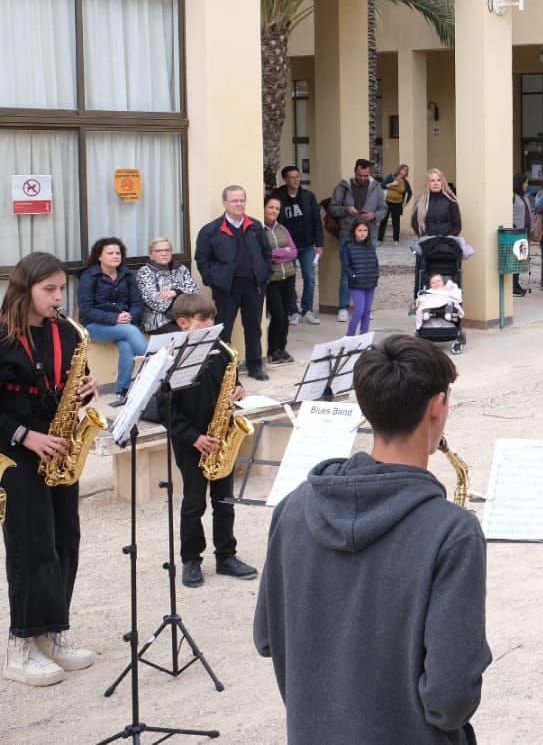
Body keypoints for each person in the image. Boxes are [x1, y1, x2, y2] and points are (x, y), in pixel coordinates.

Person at [254, 336, 489, 745]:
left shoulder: (291, 509)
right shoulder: (452, 532)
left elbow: (267, 639)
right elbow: (450, 700)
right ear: (437, 406)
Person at [1, 253, 101, 687]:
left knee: (65, 538)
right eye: (50, 290)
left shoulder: (66, 332)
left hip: (58, 444)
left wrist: (86, 392)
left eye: (62, 288)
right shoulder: (3, 334)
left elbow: (66, 387)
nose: (59, 298)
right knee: (30, 542)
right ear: (25, 289)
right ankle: (20, 642)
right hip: (15, 449)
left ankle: (52, 632)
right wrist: (26, 435)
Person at [163, 294, 257, 588]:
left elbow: (232, 384)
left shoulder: (224, 352)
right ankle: (191, 559)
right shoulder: (173, 358)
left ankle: (226, 556)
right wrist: (194, 437)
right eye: (202, 320)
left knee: (224, 501)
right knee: (193, 503)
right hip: (190, 441)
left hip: (221, 437)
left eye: (211, 318)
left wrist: (239, 391)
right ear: (183, 323)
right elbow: (165, 408)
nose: (210, 324)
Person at [194, 185, 272, 382]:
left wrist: (265, 274)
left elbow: (266, 253)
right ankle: (226, 370)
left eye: (242, 200)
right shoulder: (211, 230)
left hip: (254, 286)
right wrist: (213, 280)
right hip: (226, 289)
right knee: (224, 329)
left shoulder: (255, 226)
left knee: (254, 327)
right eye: (234, 200)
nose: (239, 204)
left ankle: (255, 366)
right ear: (225, 203)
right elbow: (202, 260)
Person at [77, 237, 147, 407]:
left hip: (123, 326)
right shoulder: (89, 277)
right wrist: (114, 318)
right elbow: (86, 309)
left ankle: (122, 390)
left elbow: (137, 303)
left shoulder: (128, 275)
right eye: (110, 253)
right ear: (100, 256)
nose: (115, 256)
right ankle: (156, 363)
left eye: (118, 253)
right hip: (94, 326)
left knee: (126, 345)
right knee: (129, 331)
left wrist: (130, 315)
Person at [329, 160, 385, 322]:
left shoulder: (376, 187)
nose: (362, 178)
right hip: (348, 232)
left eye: (366, 176)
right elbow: (332, 208)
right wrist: (347, 210)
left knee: (367, 270)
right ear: (355, 171)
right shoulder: (343, 186)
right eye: (360, 175)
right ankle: (343, 307)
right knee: (347, 270)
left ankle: (365, 308)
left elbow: (384, 209)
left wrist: (374, 216)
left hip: (370, 232)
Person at [270, 166, 324, 325]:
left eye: (298, 176)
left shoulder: (308, 196)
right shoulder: (278, 196)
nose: (296, 180)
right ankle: (292, 310)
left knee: (310, 277)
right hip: (287, 247)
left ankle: (307, 310)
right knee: (290, 279)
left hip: (307, 245)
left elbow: (316, 221)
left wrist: (319, 244)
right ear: (285, 179)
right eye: (292, 177)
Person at [261, 197, 299, 366]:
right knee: (278, 316)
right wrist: (282, 252)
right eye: (271, 207)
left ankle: (282, 348)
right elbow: (265, 254)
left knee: (286, 316)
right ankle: (272, 350)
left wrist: (278, 254)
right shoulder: (259, 230)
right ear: (264, 208)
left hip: (288, 277)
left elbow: (294, 252)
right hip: (272, 280)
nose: (274, 211)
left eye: (277, 208)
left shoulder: (282, 228)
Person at [136, 237, 200, 336]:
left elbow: (195, 292)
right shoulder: (145, 272)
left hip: (185, 315)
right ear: (151, 255)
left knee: (204, 331)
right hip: (157, 320)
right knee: (183, 335)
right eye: (158, 251)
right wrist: (183, 297)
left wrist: (175, 292)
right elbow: (153, 301)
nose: (164, 253)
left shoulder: (181, 269)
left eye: (167, 250)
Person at [341, 222, 380, 336]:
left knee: (367, 311)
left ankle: (364, 334)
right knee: (359, 310)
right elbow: (346, 266)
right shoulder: (347, 246)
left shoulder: (370, 246)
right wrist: (354, 276)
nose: (362, 233)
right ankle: (350, 335)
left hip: (370, 282)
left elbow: (375, 263)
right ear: (354, 231)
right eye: (359, 230)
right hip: (357, 283)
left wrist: (375, 275)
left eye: (365, 230)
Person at [411, 168, 463, 241]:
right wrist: (424, 237)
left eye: (439, 180)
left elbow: (457, 225)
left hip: (446, 243)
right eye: (432, 181)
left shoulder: (451, 200)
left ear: (442, 182)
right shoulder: (421, 201)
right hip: (427, 242)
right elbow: (415, 223)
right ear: (428, 183)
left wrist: (447, 239)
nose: (436, 183)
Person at [510, 174, 535, 297]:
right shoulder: (512, 197)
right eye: (525, 183)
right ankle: (513, 284)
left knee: (521, 259)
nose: (527, 185)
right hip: (516, 232)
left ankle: (516, 282)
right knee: (516, 258)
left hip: (525, 232)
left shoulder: (524, 197)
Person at [378, 164, 412, 244]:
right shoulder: (391, 177)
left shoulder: (405, 182)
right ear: (399, 170)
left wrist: (405, 202)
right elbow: (381, 185)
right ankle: (379, 240)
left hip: (398, 204)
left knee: (396, 222)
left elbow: (410, 193)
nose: (405, 171)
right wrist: (390, 184)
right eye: (403, 169)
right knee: (383, 221)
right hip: (387, 202)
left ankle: (396, 239)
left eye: (406, 170)